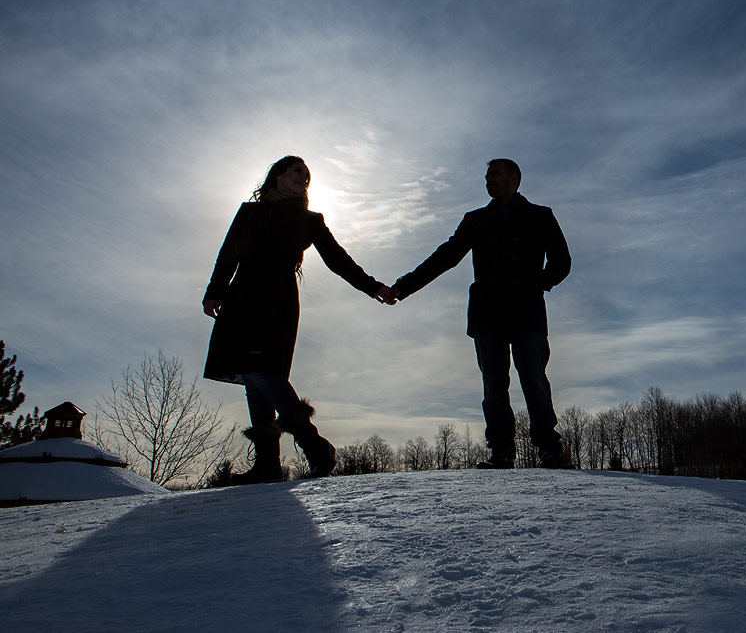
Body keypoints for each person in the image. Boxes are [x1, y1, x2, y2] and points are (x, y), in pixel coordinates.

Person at [203, 156, 395, 484]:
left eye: (306, 175)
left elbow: (338, 259)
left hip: (277, 299)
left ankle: (315, 446)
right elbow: (229, 252)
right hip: (241, 297)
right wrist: (214, 291)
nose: (303, 177)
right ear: (277, 175)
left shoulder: (310, 220)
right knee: (253, 377)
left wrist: (372, 286)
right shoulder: (249, 212)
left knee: (263, 370)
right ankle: (267, 464)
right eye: (297, 171)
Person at [388, 159, 572, 468]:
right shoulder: (475, 220)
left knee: (534, 378)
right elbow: (445, 257)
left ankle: (549, 449)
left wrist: (537, 283)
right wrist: (401, 287)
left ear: (515, 179)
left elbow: (561, 262)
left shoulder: (541, 216)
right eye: (487, 176)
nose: (489, 180)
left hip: (527, 312)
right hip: (488, 315)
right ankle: (501, 451)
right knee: (494, 385)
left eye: (495, 175)